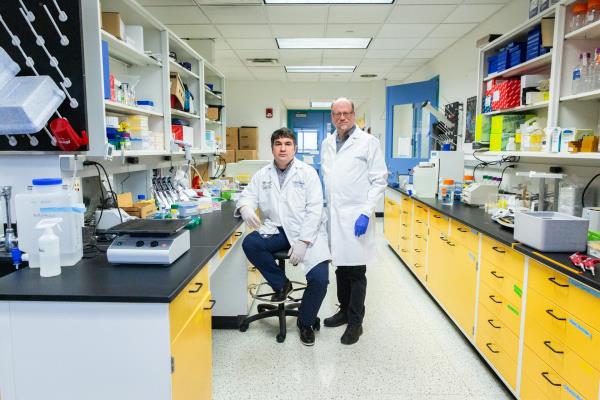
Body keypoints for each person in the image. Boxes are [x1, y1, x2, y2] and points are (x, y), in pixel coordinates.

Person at [235, 128, 330, 346]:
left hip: (307, 231)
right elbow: (246, 195)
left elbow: (315, 209)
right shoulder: (263, 174)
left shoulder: (307, 173)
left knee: (320, 279)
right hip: (277, 230)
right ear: (272, 148)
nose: (283, 148)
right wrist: (245, 207)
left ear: (295, 147)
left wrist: (304, 242)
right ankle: (281, 284)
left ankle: (305, 322)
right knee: (251, 243)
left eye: (288, 143)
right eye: (278, 144)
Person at [320, 98, 388, 345]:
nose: (342, 117)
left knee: (357, 270)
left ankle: (356, 322)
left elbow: (379, 180)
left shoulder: (368, 143)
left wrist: (365, 212)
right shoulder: (327, 143)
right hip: (335, 215)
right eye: (337, 113)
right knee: (340, 265)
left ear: (353, 114)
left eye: (346, 113)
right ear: (332, 116)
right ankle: (344, 310)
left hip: (357, 215)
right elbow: (328, 178)